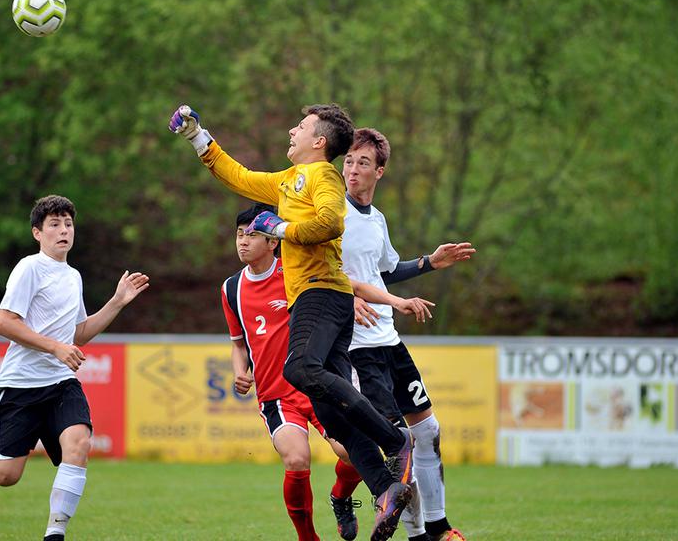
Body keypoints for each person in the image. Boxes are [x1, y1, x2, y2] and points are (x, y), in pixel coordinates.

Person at [171, 104, 414, 541]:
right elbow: (239, 176)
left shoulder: (321, 176)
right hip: (324, 296)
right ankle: (386, 491)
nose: (290, 130)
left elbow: (330, 221)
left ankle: (395, 440)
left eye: (299, 127)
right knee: (332, 415)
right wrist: (197, 137)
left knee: (299, 369)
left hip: (321, 292)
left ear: (319, 141)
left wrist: (280, 229)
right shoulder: (288, 180)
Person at [0, 195, 149, 541]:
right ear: (37, 233)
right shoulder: (29, 268)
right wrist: (55, 347)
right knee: (5, 476)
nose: (63, 231)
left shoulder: (73, 276)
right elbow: (4, 323)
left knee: (79, 443)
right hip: (21, 385)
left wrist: (116, 303)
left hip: (60, 384)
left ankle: (54, 533)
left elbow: (78, 334)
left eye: (68, 224)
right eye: (54, 224)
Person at [338, 128, 473, 541]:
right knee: (399, 446)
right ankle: (416, 536)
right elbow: (308, 271)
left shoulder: (376, 219)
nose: (353, 170)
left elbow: (385, 272)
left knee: (427, 433)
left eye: (363, 163)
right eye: (348, 162)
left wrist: (429, 262)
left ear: (381, 171)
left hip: (388, 341)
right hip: (355, 348)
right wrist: (344, 298)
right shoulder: (329, 214)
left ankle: (438, 526)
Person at [224, 203, 365, 541]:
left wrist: (353, 300)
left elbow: (337, 290)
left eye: (253, 234)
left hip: (318, 385)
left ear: (273, 241)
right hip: (276, 395)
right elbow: (238, 344)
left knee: (355, 454)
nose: (243, 241)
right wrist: (239, 372)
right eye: (239, 234)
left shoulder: (295, 274)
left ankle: (341, 497)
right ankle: (308, 538)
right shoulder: (231, 289)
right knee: (297, 460)